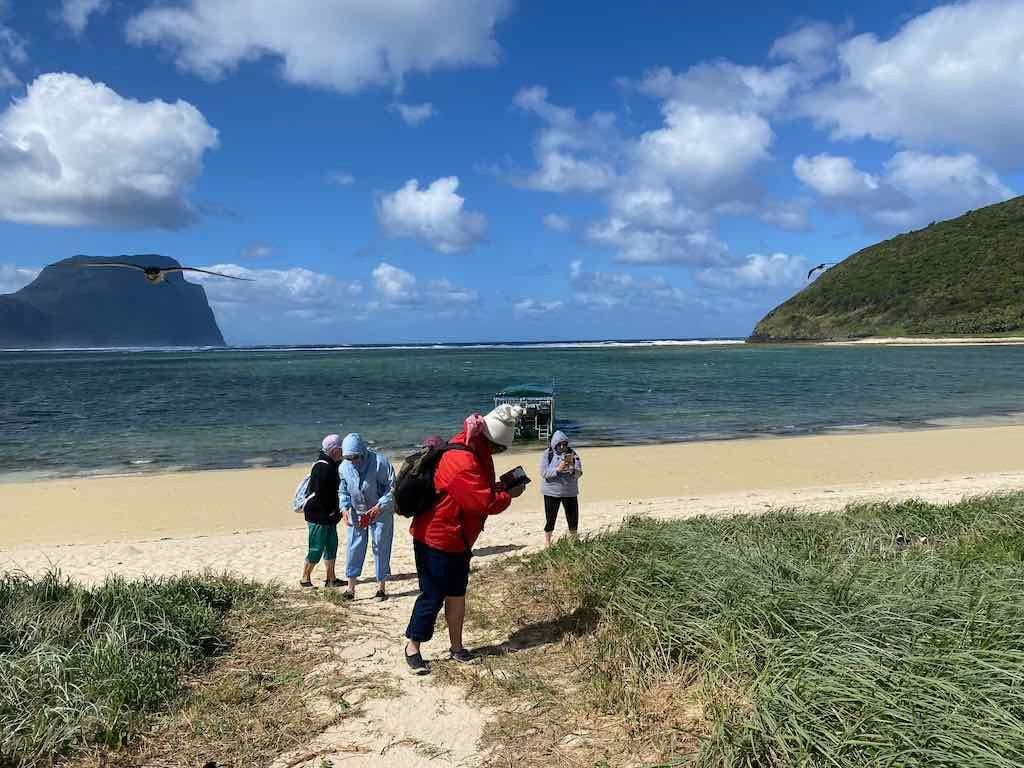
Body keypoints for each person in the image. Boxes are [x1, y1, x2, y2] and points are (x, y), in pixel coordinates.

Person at [403, 404, 526, 675]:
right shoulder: (464, 459)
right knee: (432, 595)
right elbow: (482, 502)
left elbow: (476, 490)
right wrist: (508, 495)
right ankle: (413, 645)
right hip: (435, 537)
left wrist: (499, 487)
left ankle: (456, 647)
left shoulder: (473, 448)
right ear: (488, 440)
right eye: (499, 448)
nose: (498, 453)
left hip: (458, 538)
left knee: (457, 593)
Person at [339, 433, 396, 601]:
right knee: (353, 547)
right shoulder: (344, 466)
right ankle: (350, 588)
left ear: (362, 452)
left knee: (380, 546)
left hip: (380, 511)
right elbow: (342, 490)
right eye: (349, 457)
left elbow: (392, 487)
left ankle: (381, 588)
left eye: (355, 457)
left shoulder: (380, 463)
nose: (353, 461)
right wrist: (344, 507)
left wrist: (381, 505)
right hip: (357, 512)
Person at [300, 434, 344, 588]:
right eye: (340, 449)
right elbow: (321, 495)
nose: (342, 452)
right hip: (318, 515)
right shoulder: (323, 467)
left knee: (331, 546)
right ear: (333, 450)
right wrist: (332, 511)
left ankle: (331, 579)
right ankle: (305, 578)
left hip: (330, 514)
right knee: (317, 547)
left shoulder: (332, 464)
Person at [539, 430, 583, 547]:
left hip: (570, 491)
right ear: (554, 444)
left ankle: (574, 540)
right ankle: (548, 541)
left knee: (573, 516)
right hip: (551, 491)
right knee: (550, 517)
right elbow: (544, 473)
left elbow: (579, 473)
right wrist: (557, 470)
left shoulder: (573, 453)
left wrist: (573, 470)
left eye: (565, 444)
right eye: (560, 444)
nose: (562, 447)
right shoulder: (547, 454)